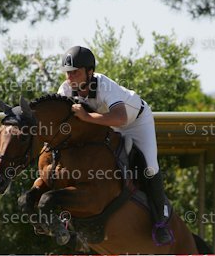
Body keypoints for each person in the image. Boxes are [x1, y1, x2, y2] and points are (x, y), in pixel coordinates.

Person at [57, 45, 173, 245]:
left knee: (150, 167)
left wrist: (86, 117)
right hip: (106, 125)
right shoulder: (65, 90)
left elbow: (120, 118)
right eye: (68, 72)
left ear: (90, 72)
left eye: (75, 72)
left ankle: (161, 221)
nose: (70, 77)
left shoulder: (104, 86)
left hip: (135, 122)